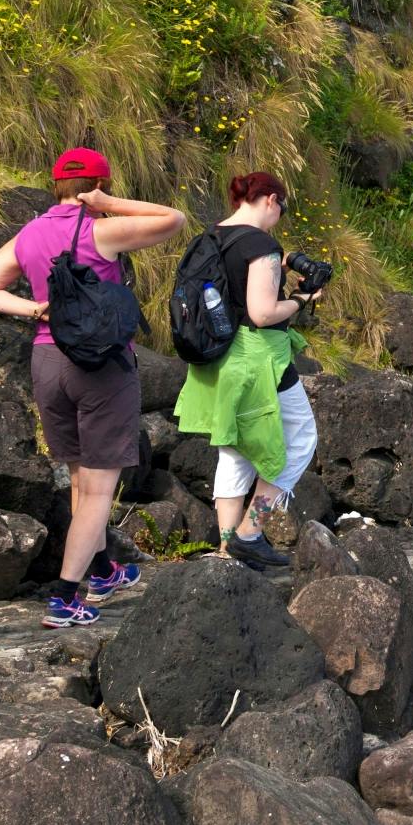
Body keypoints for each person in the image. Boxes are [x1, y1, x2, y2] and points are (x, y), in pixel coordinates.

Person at [0, 148, 185, 628]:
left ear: (54, 184)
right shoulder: (100, 230)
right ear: (97, 184)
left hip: (46, 360)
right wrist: (109, 203)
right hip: (100, 365)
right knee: (100, 488)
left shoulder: (31, 233)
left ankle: (103, 571)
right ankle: (65, 598)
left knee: (81, 479)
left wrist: (35, 309)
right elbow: (174, 218)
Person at [174, 172, 322, 569]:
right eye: (283, 208)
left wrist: (284, 265)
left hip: (217, 357)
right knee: (301, 437)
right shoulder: (262, 246)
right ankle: (250, 532)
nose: (281, 216)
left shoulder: (212, 236)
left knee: (234, 450)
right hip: (259, 359)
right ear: (271, 200)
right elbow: (261, 312)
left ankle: (227, 552)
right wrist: (301, 299)